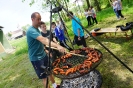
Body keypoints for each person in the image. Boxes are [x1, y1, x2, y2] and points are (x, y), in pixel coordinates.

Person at [26, 12, 66, 88]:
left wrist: (45, 50)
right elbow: (44, 40)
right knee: (45, 78)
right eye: (38, 19)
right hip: (36, 59)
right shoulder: (30, 30)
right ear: (32, 19)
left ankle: (55, 86)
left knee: (49, 72)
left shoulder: (37, 29)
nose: (40, 21)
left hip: (43, 55)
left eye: (40, 19)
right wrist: (57, 46)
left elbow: (40, 43)